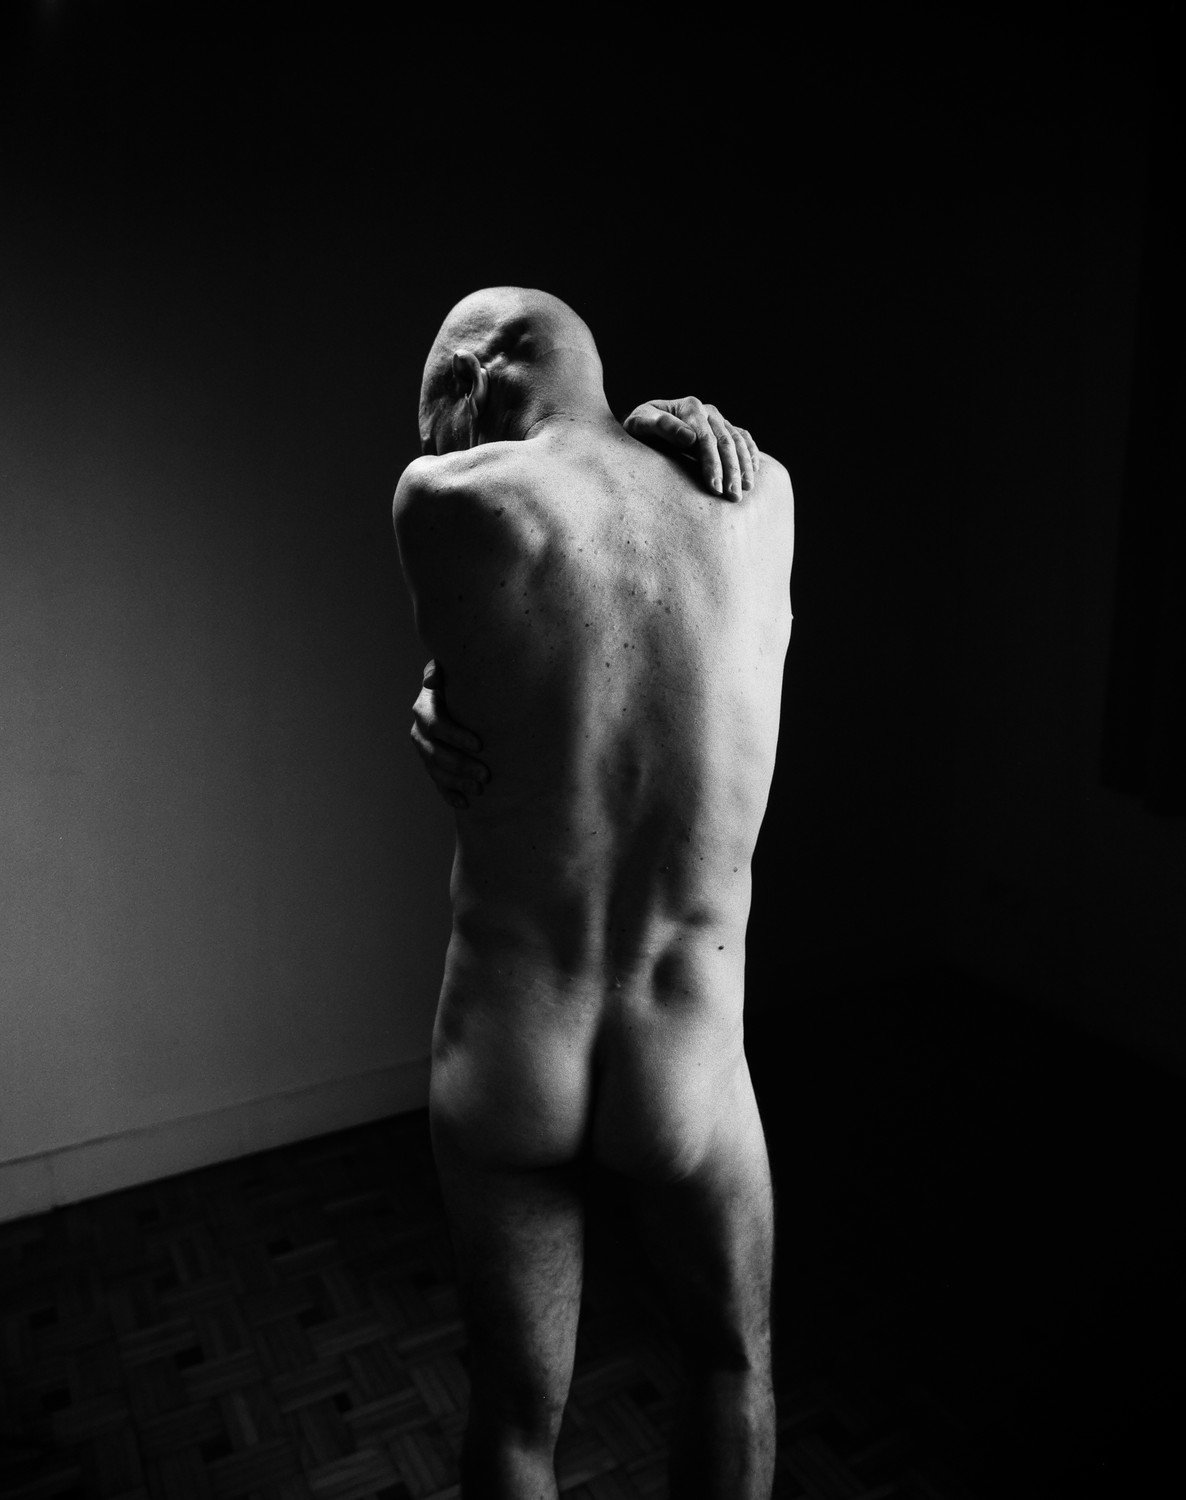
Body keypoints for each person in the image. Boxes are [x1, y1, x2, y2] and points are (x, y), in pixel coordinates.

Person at [392, 287, 794, 1499]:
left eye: (439, 411)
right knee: (730, 1363)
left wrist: (430, 704)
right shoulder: (763, 498)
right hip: (686, 1045)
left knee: (516, 1422)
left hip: (510, 1040)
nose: (438, 443)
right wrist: (661, 423)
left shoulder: (439, 504)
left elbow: (496, 660)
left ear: (475, 379)